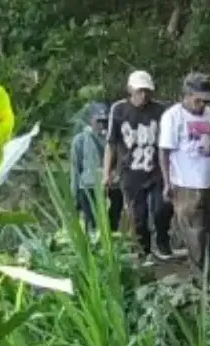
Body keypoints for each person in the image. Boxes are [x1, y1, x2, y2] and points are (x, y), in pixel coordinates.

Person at [159, 72, 210, 282]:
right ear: (186, 96)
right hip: (185, 183)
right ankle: (202, 278)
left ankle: (204, 272)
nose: (201, 105)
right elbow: (164, 151)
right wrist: (167, 182)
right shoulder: (173, 116)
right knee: (194, 233)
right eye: (198, 100)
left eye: (205, 101)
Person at [104, 70, 172, 262]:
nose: (144, 95)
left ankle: (162, 239)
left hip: (156, 170)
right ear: (130, 90)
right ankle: (145, 252)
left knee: (162, 208)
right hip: (130, 172)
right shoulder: (118, 110)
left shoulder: (161, 110)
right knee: (138, 217)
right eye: (140, 91)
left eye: (147, 91)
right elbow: (111, 143)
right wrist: (107, 172)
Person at [71, 102, 124, 239]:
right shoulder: (80, 140)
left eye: (106, 121)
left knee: (112, 225)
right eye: (99, 120)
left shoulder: (116, 140)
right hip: (88, 188)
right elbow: (75, 168)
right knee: (92, 226)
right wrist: (75, 196)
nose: (103, 124)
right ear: (90, 120)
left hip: (113, 186)